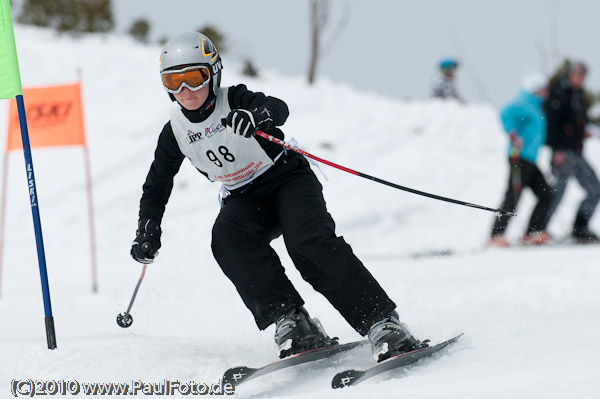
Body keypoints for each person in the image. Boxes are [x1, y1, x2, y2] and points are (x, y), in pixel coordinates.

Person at [130, 32, 426, 362]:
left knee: (308, 244)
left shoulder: (235, 99)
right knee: (227, 237)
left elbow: (278, 107)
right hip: (244, 197)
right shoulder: (175, 131)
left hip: (286, 179)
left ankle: (382, 323)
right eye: (174, 82)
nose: (186, 91)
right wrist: (148, 228)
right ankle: (293, 320)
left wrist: (257, 117)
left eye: (194, 78)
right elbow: (156, 186)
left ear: (213, 74)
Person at [487, 71, 552, 247]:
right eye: (543, 88)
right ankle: (496, 235)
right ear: (535, 89)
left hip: (530, 158)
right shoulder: (523, 103)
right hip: (518, 156)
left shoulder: (536, 106)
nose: (547, 91)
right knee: (513, 194)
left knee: (545, 193)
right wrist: (512, 133)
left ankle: (532, 232)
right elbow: (505, 113)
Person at [544, 61, 600, 243]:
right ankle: (538, 229)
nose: (580, 79)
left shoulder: (577, 96)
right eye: (577, 75)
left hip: (576, 153)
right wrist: (557, 149)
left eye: (583, 76)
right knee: (557, 192)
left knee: (595, 189)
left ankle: (580, 227)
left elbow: (576, 123)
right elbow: (553, 125)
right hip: (563, 153)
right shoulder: (559, 94)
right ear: (570, 75)